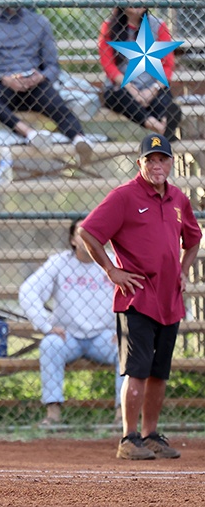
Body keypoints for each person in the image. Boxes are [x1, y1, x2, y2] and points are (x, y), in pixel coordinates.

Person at [79, 133, 201, 460]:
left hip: (169, 298)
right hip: (137, 297)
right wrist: (111, 270)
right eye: (151, 159)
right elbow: (88, 232)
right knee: (138, 370)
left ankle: (150, 435)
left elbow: (193, 239)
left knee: (160, 372)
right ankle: (128, 438)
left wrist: (182, 271)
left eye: (163, 159)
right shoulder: (124, 197)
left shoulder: (178, 199)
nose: (157, 165)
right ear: (140, 163)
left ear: (171, 163)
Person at [19, 219, 122, 426]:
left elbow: (133, 295)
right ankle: (53, 414)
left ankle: (122, 416)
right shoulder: (59, 263)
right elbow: (28, 291)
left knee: (127, 348)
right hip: (68, 336)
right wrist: (46, 326)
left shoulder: (113, 262)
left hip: (105, 336)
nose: (88, 238)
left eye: (93, 232)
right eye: (82, 234)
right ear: (73, 240)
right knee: (49, 345)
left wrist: (123, 328)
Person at [0, 7, 94, 166]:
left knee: (54, 99)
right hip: (4, 86)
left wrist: (40, 77)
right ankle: (29, 133)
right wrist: (5, 79)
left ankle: (80, 139)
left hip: (34, 85)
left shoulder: (40, 22)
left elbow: (52, 66)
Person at [99, 7, 181, 140]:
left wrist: (152, 90)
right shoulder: (109, 27)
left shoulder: (158, 25)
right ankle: (162, 130)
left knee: (164, 100)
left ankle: (165, 124)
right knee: (117, 97)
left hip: (153, 86)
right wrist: (133, 90)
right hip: (121, 88)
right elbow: (108, 65)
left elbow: (168, 65)